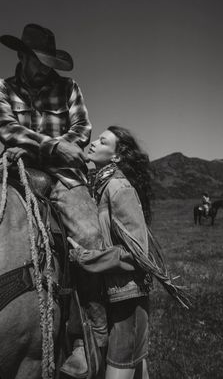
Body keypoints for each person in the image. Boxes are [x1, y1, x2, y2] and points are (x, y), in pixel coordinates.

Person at [0, 24, 107, 378]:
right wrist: (51, 142)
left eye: (49, 62)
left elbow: (81, 130)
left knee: (90, 237)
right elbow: (5, 127)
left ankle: (86, 336)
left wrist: (49, 147)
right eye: (38, 60)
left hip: (61, 175)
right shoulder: (3, 88)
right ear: (22, 55)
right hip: (14, 170)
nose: (45, 68)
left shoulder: (68, 88)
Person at [68, 126, 189, 379]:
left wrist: (84, 257)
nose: (93, 143)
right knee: (136, 369)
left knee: (119, 371)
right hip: (114, 292)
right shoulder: (100, 186)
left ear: (116, 157)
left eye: (102, 141)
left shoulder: (118, 187)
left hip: (128, 295)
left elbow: (137, 254)